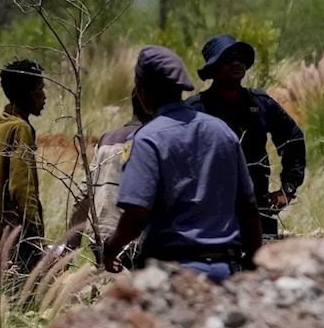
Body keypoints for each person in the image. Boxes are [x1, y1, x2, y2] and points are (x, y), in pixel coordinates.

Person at [103, 46, 263, 283]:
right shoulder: (222, 131)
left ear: (143, 91)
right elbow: (248, 206)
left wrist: (111, 247)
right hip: (223, 271)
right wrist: (253, 260)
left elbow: (136, 214)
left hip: (171, 276)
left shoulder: (146, 139)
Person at [187, 34, 305, 237]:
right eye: (228, 58)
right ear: (214, 68)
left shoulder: (261, 103)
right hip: (207, 217)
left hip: (257, 210)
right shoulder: (195, 110)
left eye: (240, 57)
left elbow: (292, 139)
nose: (236, 63)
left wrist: (288, 188)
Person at [60, 91, 152, 264]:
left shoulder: (106, 139)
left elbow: (84, 194)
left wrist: (72, 243)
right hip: (132, 238)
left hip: (100, 233)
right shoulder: (151, 139)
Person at [0, 59, 48, 273]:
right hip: (17, 236)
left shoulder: (0, 125)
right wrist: (36, 235)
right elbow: (22, 187)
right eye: (41, 88)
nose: (44, 95)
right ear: (28, 94)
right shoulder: (21, 129)